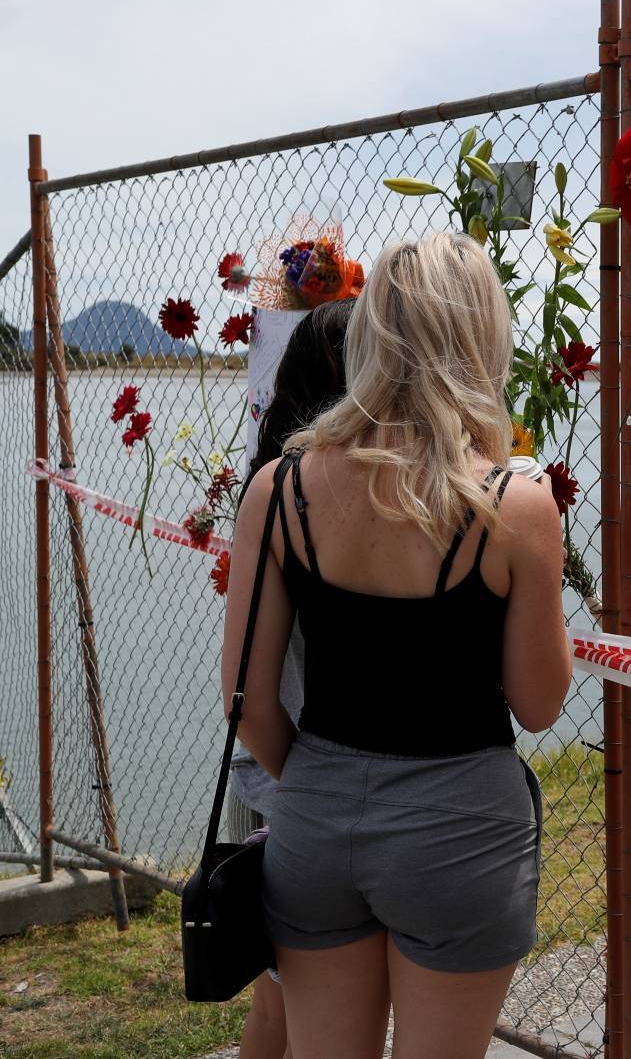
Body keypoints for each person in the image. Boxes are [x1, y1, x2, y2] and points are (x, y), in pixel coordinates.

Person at [221, 232, 571, 1059]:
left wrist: (318, 779)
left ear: (370, 331)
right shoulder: (514, 506)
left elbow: (247, 701)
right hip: (460, 831)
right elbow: (540, 703)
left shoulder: (278, 490)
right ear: (483, 339)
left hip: (313, 825)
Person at [228, 298, 356, 1059]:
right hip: (299, 779)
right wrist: (312, 783)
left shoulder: (269, 490)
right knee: (309, 1017)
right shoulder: (314, 497)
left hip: (271, 778)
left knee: (277, 1008)